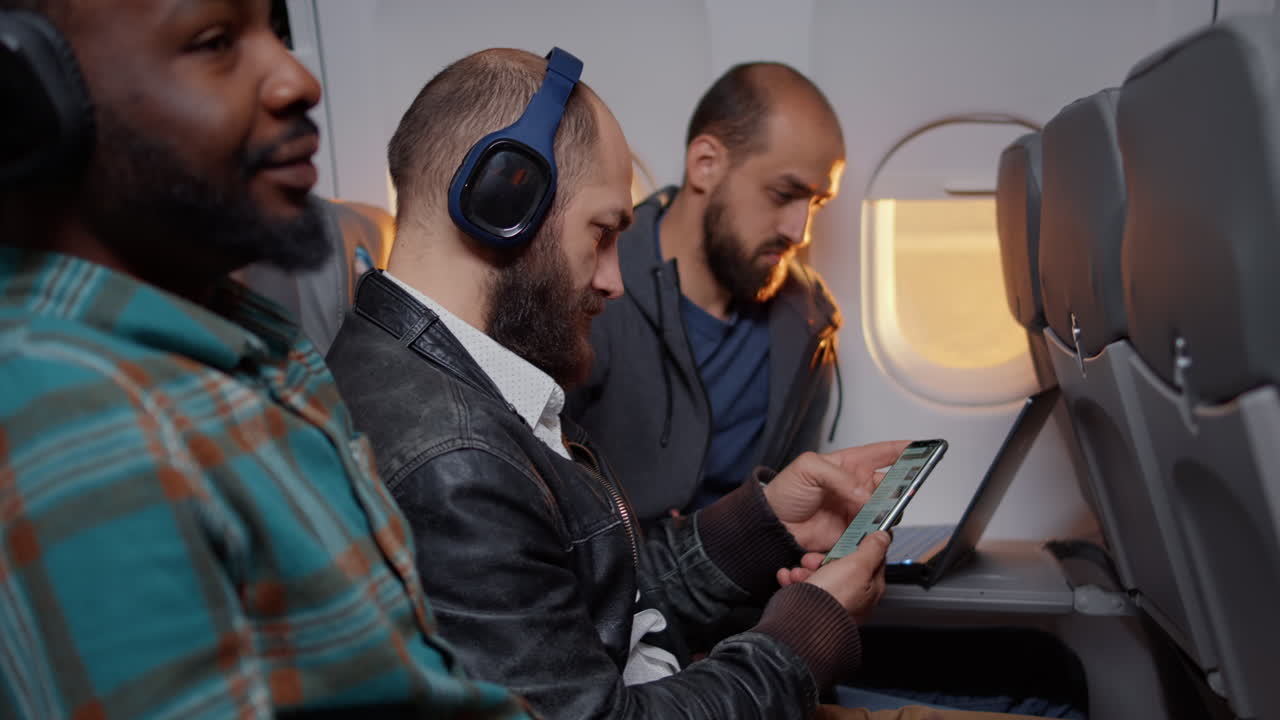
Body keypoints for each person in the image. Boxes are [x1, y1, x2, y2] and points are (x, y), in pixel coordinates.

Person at [326, 47, 1044, 720]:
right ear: (502, 204)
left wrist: (758, 527)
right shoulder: (455, 461)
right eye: (602, 233)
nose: (615, 279)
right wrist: (806, 634)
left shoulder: (476, 382)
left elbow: (604, 603)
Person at [0, 1, 533, 716]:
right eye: (214, 41)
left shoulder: (238, 341)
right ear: (23, 95)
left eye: (277, 32)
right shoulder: (81, 422)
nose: (297, 80)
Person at [565, 62, 847, 528]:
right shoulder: (593, 294)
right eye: (783, 195)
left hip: (750, 568)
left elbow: (791, 509)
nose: (799, 232)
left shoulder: (810, 321)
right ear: (706, 164)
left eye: (815, 204)